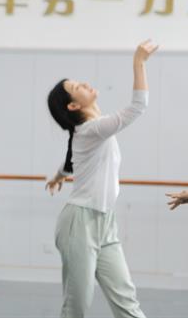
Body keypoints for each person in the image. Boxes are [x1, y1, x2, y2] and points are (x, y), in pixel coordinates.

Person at [45, 40, 158, 318]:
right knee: (77, 307)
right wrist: (138, 62)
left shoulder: (87, 133)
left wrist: (59, 175)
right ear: (73, 105)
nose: (84, 83)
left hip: (105, 223)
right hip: (79, 224)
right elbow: (138, 107)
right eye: (77, 87)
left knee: (127, 300)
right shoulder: (91, 130)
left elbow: (71, 161)